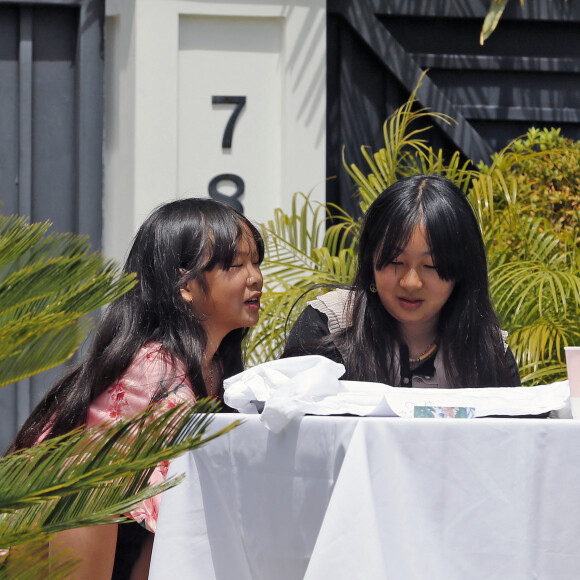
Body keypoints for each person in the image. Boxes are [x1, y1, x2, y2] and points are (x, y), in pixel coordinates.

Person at [7, 198, 264, 578]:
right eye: (235, 265)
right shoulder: (155, 366)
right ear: (186, 285)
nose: (255, 277)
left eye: (257, 262)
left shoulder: (218, 368)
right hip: (59, 533)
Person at [283, 174, 520, 389]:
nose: (411, 282)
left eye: (431, 266)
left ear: (461, 271)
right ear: (370, 261)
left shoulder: (488, 352)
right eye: (396, 262)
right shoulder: (329, 325)